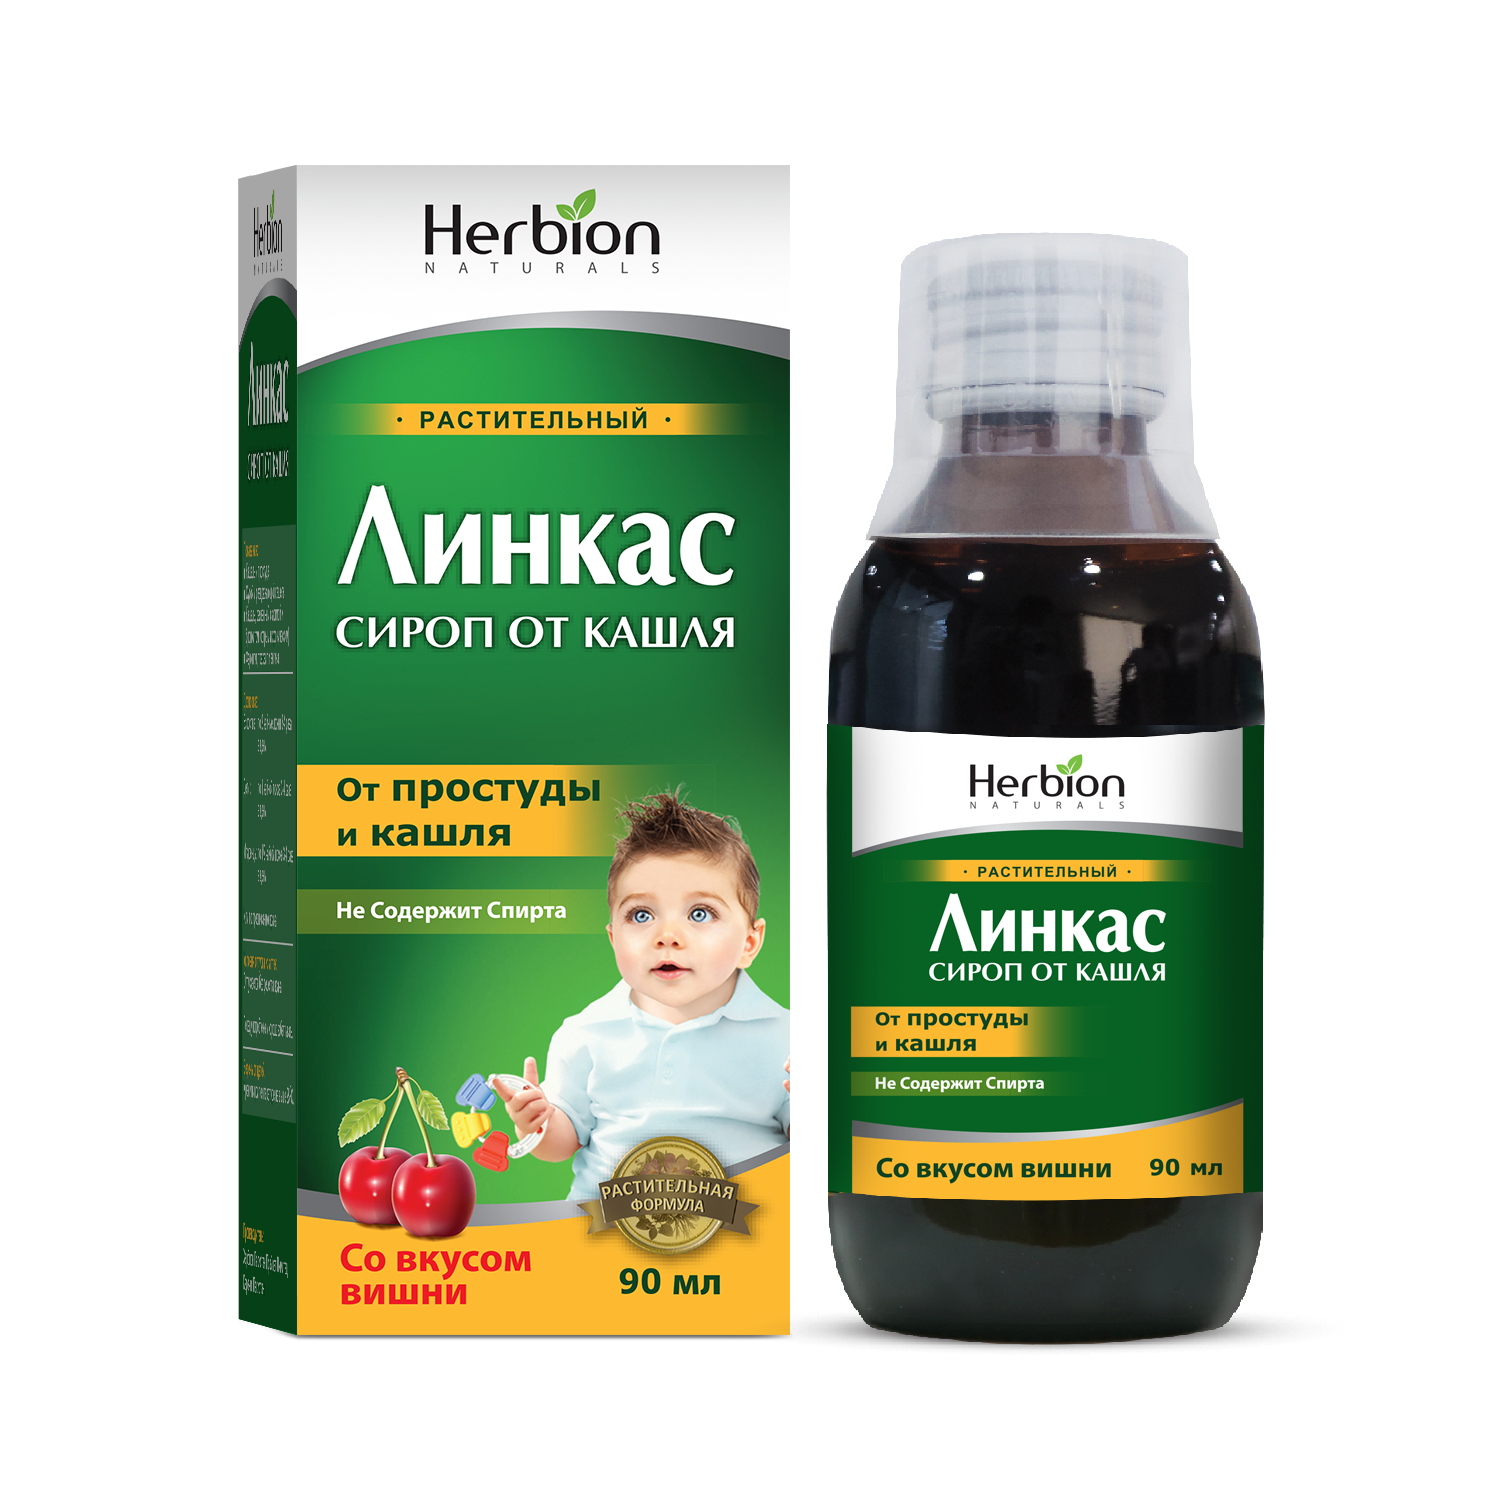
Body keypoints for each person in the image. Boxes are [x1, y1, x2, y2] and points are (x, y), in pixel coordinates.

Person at [493, 791, 790, 1201]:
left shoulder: (782, 1037)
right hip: (605, 1229)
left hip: (742, 1231)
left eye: (700, 913)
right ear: (614, 939)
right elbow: (563, 1143)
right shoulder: (586, 1034)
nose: (667, 936)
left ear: (749, 943)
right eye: (641, 915)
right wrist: (537, 1122)